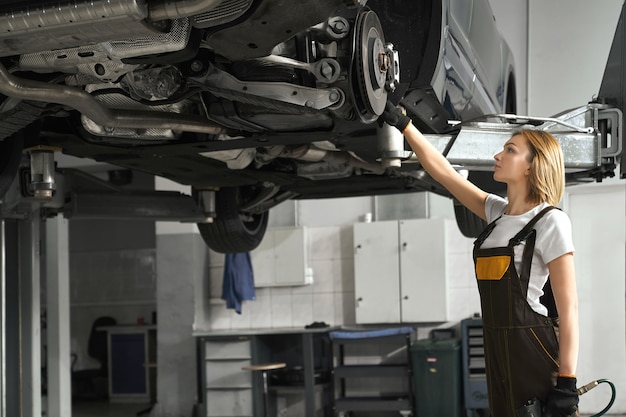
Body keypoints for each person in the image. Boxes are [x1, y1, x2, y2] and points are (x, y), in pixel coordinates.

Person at [380, 102, 580, 417]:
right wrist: (405, 125)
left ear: (531, 165)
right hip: (497, 347)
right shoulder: (496, 213)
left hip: (534, 349)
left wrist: (567, 380)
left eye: (510, 150)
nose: (497, 156)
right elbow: (444, 172)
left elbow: (569, 309)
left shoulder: (550, 221)